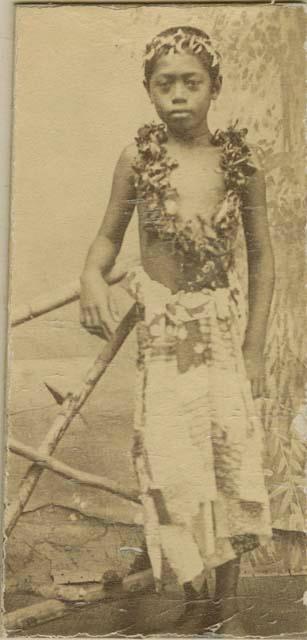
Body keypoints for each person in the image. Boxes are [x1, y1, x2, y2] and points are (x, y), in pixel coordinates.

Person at [79, 26, 275, 635]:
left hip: (219, 329)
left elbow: (264, 257)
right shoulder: (140, 157)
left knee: (227, 458)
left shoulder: (239, 163)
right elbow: (109, 239)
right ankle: (193, 600)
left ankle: (225, 601)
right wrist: (91, 278)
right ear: (148, 91)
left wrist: (253, 350)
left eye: (192, 82)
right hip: (164, 335)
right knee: (170, 462)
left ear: (214, 87)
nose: (179, 96)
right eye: (165, 85)